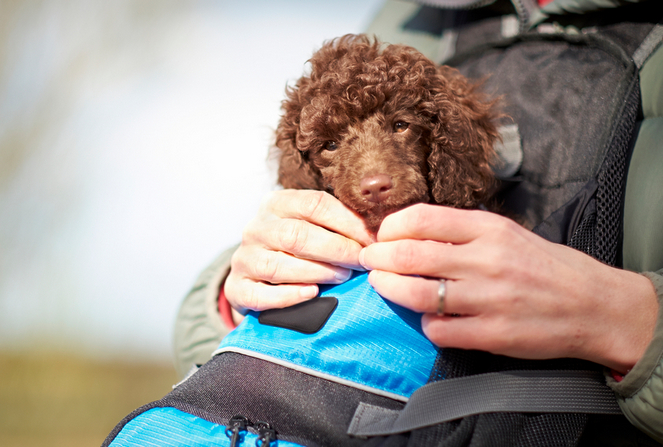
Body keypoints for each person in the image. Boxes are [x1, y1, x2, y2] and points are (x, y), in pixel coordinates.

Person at [173, 0, 663, 443]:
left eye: (401, 126)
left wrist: (628, 321)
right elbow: (214, 336)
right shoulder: (413, 13)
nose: (371, 177)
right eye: (330, 146)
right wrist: (236, 293)